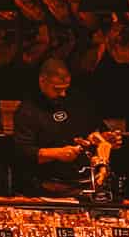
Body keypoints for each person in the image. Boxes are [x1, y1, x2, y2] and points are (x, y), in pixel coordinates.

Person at [14, 57, 98, 195]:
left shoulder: (75, 101)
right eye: (57, 89)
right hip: (45, 185)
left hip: (81, 181)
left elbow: (92, 128)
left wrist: (96, 137)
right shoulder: (27, 110)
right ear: (42, 81)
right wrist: (57, 153)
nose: (63, 94)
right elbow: (23, 152)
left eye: (65, 88)